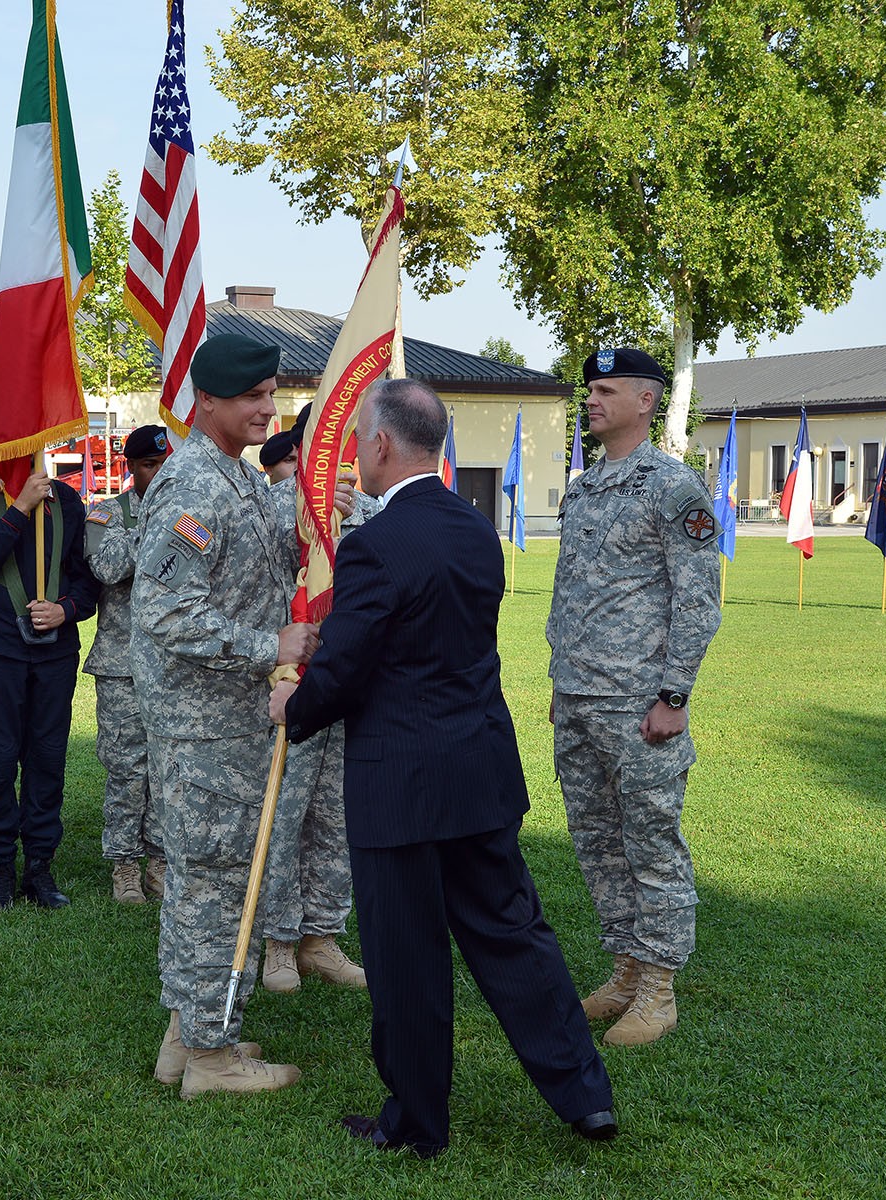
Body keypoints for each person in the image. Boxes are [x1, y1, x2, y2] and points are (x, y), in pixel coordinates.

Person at [271, 378, 617, 1156]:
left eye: (360, 439)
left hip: (400, 780)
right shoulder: (474, 529)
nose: (356, 452)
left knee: (406, 957)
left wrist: (295, 709)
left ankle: (418, 1124)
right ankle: (584, 1095)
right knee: (515, 934)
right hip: (478, 769)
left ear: (384, 446)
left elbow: (352, 665)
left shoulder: (375, 545)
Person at [130, 333, 316, 1099]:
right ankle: (213, 1057)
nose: (266, 408)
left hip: (227, 727)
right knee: (214, 890)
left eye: (271, 394)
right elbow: (167, 612)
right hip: (205, 731)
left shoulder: (232, 477)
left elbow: (260, 552)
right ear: (205, 400)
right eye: (251, 397)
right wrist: (265, 643)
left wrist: (308, 509)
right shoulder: (194, 486)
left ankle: (188, 1035)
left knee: (211, 883)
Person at [548, 347, 722, 1047]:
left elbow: (699, 600)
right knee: (596, 841)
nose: (590, 400)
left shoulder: (671, 488)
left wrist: (673, 694)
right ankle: (624, 968)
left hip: (641, 705)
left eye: (606, 389)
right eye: (589, 388)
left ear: (647, 401)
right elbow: (574, 596)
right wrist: (563, 685)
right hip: (581, 696)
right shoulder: (586, 488)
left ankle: (658, 989)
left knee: (650, 842)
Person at [0, 455, 98, 913]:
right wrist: (19, 509)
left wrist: (67, 608)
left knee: (48, 758)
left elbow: (87, 578)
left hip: (54, 653)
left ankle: (39, 865)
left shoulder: (67, 499)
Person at [258, 403, 369, 993]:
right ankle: (277, 940)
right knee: (285, 813)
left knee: (335, 815)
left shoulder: (373, 510)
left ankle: (320, 935)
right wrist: (312, 514)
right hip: (292, 685)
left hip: (348, 686)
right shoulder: (275, 505)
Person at [84, 424, 171, 904]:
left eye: (165, 464)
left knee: (166, 768)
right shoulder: (105, 514)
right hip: (122, 666)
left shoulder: (190, 514)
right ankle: (124, 865)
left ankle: (158, 860)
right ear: (130, 468)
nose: (159, 474)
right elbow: (109, 568)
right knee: (126, 769)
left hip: (176, 664)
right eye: (149, 465)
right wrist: (163, 531)